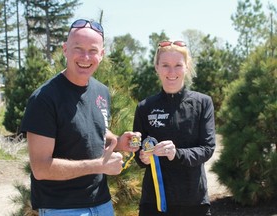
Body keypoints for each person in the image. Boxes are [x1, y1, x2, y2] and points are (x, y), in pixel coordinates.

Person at [20, 19, 140, 216]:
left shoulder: (101, 91)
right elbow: (40, 167)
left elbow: (93, 130)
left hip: (102, 204)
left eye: (93, 50)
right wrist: (99, 165)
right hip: (62, 208)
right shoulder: (44, 98)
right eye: (78, 48)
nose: (86, 57)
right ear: (65, 49)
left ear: (102, 55)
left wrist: (118, 142)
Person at [133, 40, 216, 216]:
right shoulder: (144, 107)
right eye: (165, 65)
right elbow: (138, 153)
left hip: (193, 202)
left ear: (187, 67)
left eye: (178, 65)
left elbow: (207, 149)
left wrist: (176, 153)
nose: (172, 72)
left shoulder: (203, 103)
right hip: (154, 202)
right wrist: (143, 157)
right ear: (156, 67)